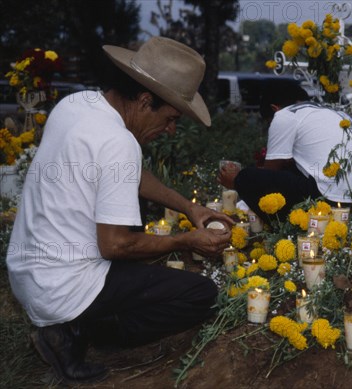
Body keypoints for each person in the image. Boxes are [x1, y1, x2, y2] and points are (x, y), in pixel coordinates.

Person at [6, 37, 234, 384]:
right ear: (145, 101)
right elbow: (116, 246)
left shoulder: (78, 105)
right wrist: (187, 240)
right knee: (200, 295)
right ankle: (78, 331)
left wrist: (189, 207)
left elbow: (127, 173)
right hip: (65, 288)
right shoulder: (119, 142)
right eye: (171, 118)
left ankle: (69, 324)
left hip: (29, 274)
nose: (170, 130)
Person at [218, 81, 352, 221]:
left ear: (274, 109)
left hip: (330, 201)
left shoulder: (285, 115)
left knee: (249, 176)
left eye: (269, 122)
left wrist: (237, 180)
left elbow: (270, 173)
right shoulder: (334, 113)